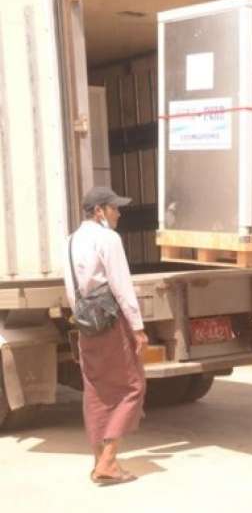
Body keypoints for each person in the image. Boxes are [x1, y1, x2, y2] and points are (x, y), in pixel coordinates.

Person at [63, 186, 148, 485]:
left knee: (95, 389)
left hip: (86, 322)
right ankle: (109, 462)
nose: (119, 213)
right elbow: (121, 285)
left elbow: (71, 290)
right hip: (111, 322)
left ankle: (98, 460)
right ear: (99, 211)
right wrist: (137, 327)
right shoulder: (108, 239)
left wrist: (85, 320)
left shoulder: (70, 241)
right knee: (133, 386)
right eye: (115, 208)